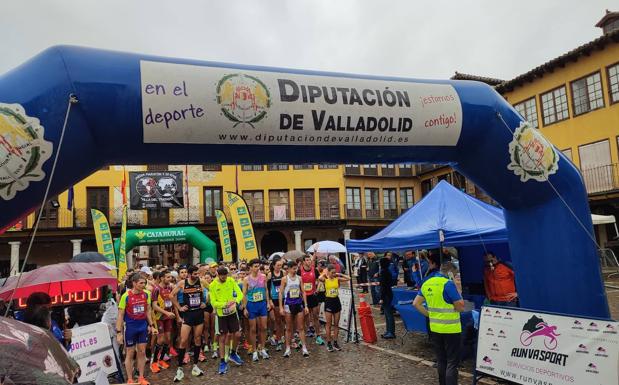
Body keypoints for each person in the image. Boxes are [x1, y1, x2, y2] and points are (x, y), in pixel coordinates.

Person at [413, 254, 464, 385]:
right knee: (452, 362)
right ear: (451, 273)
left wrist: (429, 314)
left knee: (441, 360)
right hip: (451, 329)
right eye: (456, 274)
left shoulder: (427, 283)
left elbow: (416, 304)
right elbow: (460, 307)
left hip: (435, 327)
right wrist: (458, 289)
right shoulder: (448, 284)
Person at [116, 273, 157, 385]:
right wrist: (119, 332)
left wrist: (151, 325)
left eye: (144, 283)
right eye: (141, 283)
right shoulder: (126, 296)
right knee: (130, 352)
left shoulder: (147, 294)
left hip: (142, 327)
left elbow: (148, 311)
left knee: (142, 352)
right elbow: (120, 314)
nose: (143, 285)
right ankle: (130, 379)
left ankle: (141, 377)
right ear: (134, 283)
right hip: (130, 328)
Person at [170, 265, 206, 381]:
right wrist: (179, 308)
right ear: (190, 274)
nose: (197, 276)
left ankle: (195, 366)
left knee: (197, 338)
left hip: (199, 313)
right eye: (195, 274)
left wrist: (206, 302)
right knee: (183, 340)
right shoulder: (182, 283)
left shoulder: (201, 281)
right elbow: (171, 296)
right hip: (188, 314)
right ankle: (179, 368)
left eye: (198, 274)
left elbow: (213, 291)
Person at [209, 266, 245, 375]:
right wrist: (224, 304)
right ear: (218, 275)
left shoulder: (231, 280)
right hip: (221, 314)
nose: (224, 277)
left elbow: (240, 294)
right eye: (222, 276)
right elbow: (213, 302)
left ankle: (233, 353)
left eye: (225, 275)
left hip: (232, 312)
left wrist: (235, 301)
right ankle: (222, 361)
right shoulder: (213, 285)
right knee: (223, 337)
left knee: (238, 334)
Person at [279, 260, 310, 358]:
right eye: (293, 269)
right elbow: (280, 293)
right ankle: (287, 349)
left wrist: (306, 305)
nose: (295, 270)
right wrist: (280, 307)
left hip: (298, 304)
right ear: (288, 269)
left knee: (301, 327)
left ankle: (304, 348)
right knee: (288, 328)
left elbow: (303, 292)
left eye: (296, 268)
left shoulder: (299, 278)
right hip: (288, 305)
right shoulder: (284, 279)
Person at [242, 258, 271, 361]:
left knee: (263, 327)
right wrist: (245, 308)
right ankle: (254, 350)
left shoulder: (263, 277)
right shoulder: (246, 279)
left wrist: (268, 302)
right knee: (253, 329)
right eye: (255, 266)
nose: (257, 268)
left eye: (258, 266)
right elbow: (244, 294)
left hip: (262, 304)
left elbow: (266, 290)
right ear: (250, 267)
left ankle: (262, 348)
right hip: (252, 305)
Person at [318, 264, 350, 351]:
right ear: (328, 272)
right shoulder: (326, 279)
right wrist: (325, 273)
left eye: (334, 272)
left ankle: (335, 342)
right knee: (328, 324)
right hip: (328, 301)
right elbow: (319, 278)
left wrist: (339, 274)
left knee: (336, 324)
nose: (333, 274)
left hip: (336, 301)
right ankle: (329, 343)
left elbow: (349, 278)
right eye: (332, 272)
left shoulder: (337, 279)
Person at [150, 270, 175, 373]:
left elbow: (171, 301)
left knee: (168, 339)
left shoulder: (169, 288)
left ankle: (161, 360)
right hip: (159, 317)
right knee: (160, 339)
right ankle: (154, 362)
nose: (170, 279)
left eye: (170, 277)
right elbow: (154, 306)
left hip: (168, 317)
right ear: (161, 278)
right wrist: (166, 312)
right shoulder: (156, 289)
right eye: (168, 277)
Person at [299, 254, 325, 345]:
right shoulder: (299, 271)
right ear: (303, 262)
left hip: (313, 296)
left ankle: (318, 336)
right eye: (306, 260)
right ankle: (305, 335)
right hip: (303, 297)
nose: (309, 261)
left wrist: (318, 287)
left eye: (309, 260)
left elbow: (319, 280)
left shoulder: (315, 270)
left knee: (316, 316)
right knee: (306, 317)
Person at [267, 258, 285, 351]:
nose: (279, 267)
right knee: (277, 320)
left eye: (280, 265)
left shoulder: (283, 273)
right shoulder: (270, 275)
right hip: (274, 298)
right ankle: (278, 340)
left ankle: (283, 336)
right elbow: (267, 288)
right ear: (273, 265)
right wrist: (269, 300)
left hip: (283, 298)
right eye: (277, 265)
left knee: (284, 319)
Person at [379, 257, 396, 339]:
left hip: (386, 295)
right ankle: (388, 331)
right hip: (388, 293)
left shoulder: (383, 272)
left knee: (388, 314)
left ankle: (391, 332)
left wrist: (381, 297)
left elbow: (383, 286)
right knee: (387, 314)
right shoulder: (387, 271)